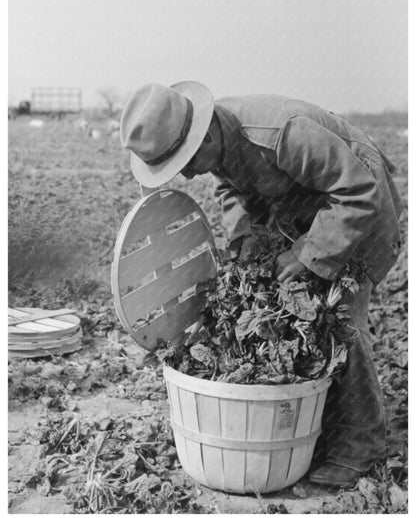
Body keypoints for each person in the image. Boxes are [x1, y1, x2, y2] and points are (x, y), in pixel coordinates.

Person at [120, 81, 403, 488]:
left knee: (342, 318)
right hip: (306, 203)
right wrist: (245, 243)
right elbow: (230, 188)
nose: (187, 172)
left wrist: (308, 252)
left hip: (359, 205)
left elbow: (358, 192)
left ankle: (362, 441)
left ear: (205, 133)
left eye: (186, 160)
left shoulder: (283, 133)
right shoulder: (218, 144)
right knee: (290, 305)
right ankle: (318, 422)